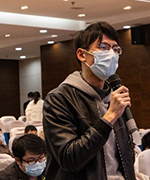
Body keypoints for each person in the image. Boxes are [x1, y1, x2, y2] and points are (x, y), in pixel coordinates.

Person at [42, 21, 135, 179]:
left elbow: (127, 156)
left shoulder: (114, 96)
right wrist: (109, 117)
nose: (111, 54)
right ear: (81, 54)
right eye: (103, 47)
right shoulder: (59, 98)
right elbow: (69, 159)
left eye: (115, 49)